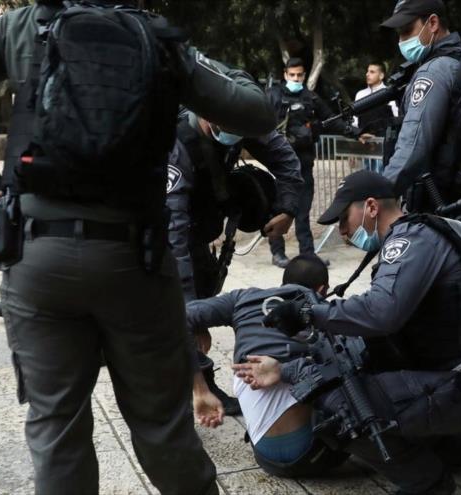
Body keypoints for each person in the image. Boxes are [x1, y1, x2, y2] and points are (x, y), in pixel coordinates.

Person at [0, 2, 279, 493]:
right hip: (136, 262)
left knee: (57, 430)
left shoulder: (23, 26)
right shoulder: (158, 39)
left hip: (38, 258)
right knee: (162, 428)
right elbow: (255, 110)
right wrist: (196, 57)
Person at [249, 170, 461, 494]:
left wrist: (308, 313)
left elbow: (381, 311)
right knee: (383, 409)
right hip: (456, 376)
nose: (342, 230)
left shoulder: (410, 240)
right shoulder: (416, 237)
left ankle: (427, 484)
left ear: (371, 207)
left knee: (343, 411)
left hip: (460, 383)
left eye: (344, 218)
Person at [168, 110, 303, 415]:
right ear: (206, 114)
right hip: (164, 231)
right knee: (172, 306)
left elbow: (285, 159)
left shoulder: (242, 113)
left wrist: (288, 208)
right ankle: (186, 387)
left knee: (202, 288)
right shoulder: (176, 143)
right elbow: (173, 239)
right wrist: (193, 317)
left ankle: (197, 378)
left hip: (198, 227)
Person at [187, 254, 349, 476]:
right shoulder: (323, 310)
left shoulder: (242, 298)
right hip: (314, 454)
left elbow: (177, 317)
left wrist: (199, 389)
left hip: (264, 456)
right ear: (322, 289)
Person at [379, 0, 461, 217]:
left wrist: (377, 195)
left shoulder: (434, 71)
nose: (401, 40)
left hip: (439, 201)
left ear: (432, 23)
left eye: (406, 31)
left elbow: (412, 146)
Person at [267, 57, 357, 268]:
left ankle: (308, 254)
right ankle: (277, 252)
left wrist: (356, 133)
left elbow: (332, 120)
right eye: (292, 75)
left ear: (305, 75)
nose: (296, 79)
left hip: (304, 164)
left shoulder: (311, 98)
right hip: (280, 165)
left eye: (299, 75)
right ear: (285, 74)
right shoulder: (273, 96)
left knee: (303, 211)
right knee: (278, 209)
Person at [354, 61, 399, 174]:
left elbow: (396, 119)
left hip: (384, 147)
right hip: (365, 146)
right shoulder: (360, 95)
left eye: (372, 72)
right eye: (367, 71)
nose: (367, 74)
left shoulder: (389, 93)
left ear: (381, 75)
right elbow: (355, 122)